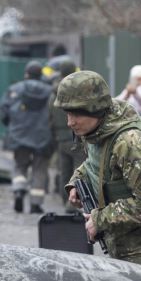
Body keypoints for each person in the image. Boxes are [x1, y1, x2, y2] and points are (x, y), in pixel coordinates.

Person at [55, 70, 141, 268]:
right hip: (121, 238)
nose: (70, 122)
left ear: (94, 109)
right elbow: (96, 163)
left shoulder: (130, 143)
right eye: (68, 114)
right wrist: (76, 182)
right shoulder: (99, 129)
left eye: (76, 114)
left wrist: (100, 220)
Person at [0, 61, 53, 213]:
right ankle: (35, 204)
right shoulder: (50, 92)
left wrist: (11, 126)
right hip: (43, 136)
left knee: (20, 165)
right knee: (39, 169)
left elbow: (3, 111)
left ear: (27, 74)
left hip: (19, 134)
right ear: (40, 75)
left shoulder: (14, 89)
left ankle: (19, 189)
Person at [48, 59, 83, 212]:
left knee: (64, 172)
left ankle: (65, 203)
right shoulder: (78, 92)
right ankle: (76, 203)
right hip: (78, 137)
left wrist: (54, 136)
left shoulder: (53, 94)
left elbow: (49, 119)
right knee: (81, 170)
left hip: (61, 138)